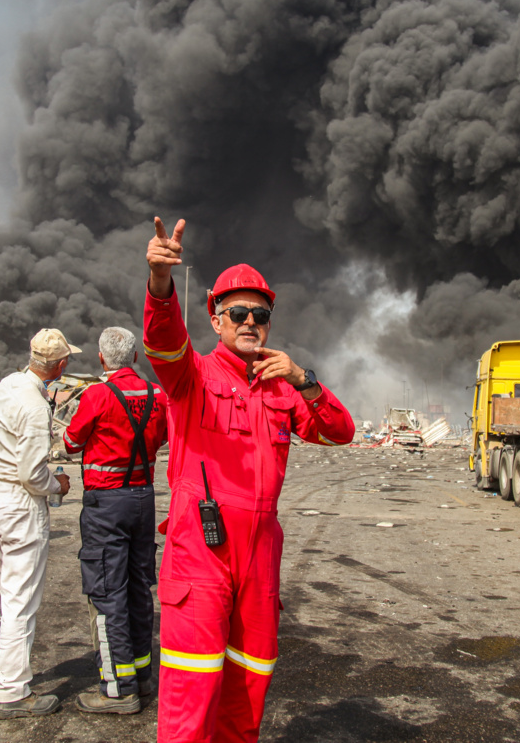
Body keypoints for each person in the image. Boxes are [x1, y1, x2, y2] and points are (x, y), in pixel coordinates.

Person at [142, 217, 355, 742]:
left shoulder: (283, 389)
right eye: (237, 312)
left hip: (260, 556)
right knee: (191, 694)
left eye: (260, 314)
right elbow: (163, 343)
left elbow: (340, 432)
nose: (250, 322)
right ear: (216, 321)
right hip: (201, 552)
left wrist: (304, 381)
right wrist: (159, 284)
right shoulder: (191, 376)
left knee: (249, 689)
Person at [0, 328, 80, 719]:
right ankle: (13, 691)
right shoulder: (34, 405)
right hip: (19, 506)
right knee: (20, 598)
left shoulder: (9, 384)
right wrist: (58, 484)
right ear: (61, 365)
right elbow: (32, 475)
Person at [62, 326, 169, 714]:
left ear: (102, 359)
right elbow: (165, 438)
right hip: (143, 499)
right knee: (139, 586)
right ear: (136, 358)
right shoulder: (158, 395)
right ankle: (142, 675)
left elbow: (72, 441)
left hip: (106, 503)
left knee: (107, 592)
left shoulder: (97, 396)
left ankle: (118, 689)